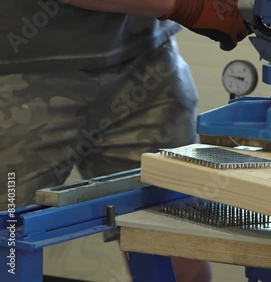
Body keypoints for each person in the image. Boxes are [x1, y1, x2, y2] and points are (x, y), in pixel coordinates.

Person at [0, 0, 249, 281]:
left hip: (147, 62)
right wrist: (185, 5)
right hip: (18, 72)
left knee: (178, 244)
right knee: (6, 240)